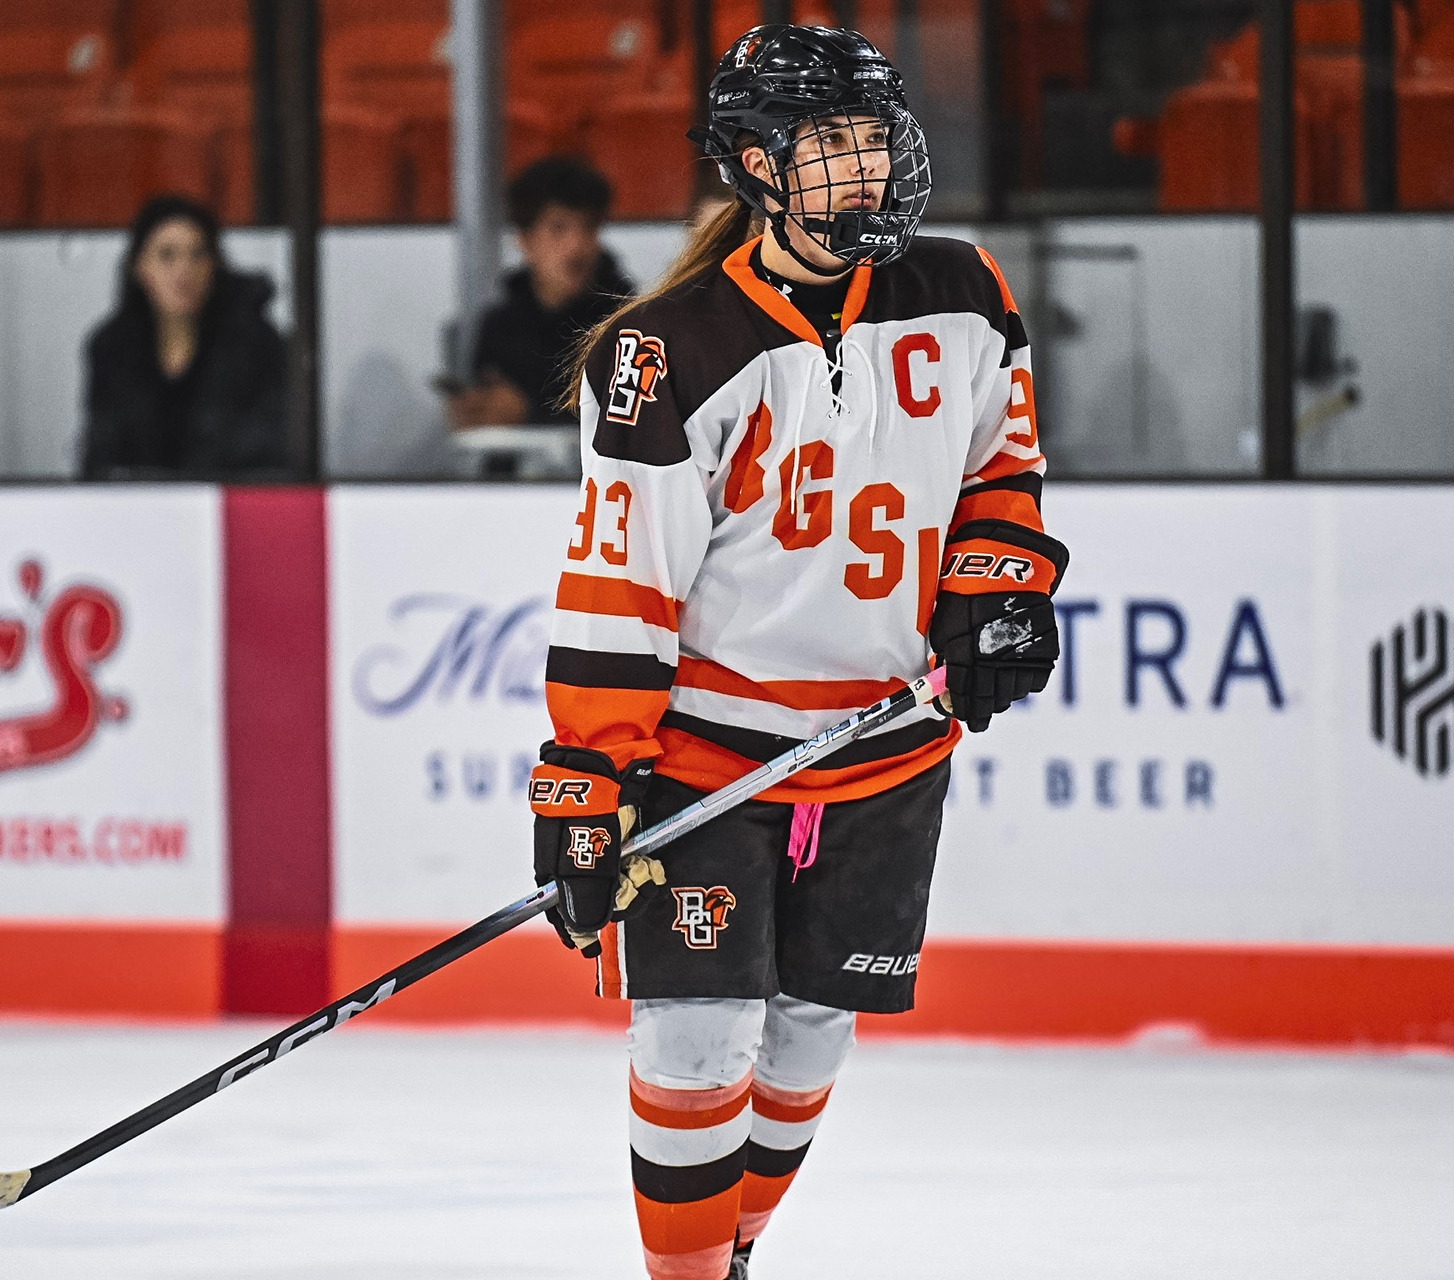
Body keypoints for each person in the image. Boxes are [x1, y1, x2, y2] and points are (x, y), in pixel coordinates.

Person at [527, 25, 1066, 1280]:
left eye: (873, 137)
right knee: (697, 1042)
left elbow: (1002, 476)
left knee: (813, 1035)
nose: (863, 168)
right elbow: (621, 588)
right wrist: (585, 783)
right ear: (756, 166)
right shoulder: (667, 352)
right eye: (827, 143)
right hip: (709, 764)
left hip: (884, 749)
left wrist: (999, 591)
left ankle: (732, 1256)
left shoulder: (969, 292)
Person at [81, 195, 289, 480]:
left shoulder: (256, 344)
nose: (184, 271)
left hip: (226, 511)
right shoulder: (111, 349)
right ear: (139, 267)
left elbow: (269, 454)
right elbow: (101, 454)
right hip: (136, 512)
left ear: (214, 265)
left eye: (198, 254)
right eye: (167, 255)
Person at [446, 156, 633, 429]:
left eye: (589, 227)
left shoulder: (625, 321)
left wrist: (529, 412)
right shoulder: (499, 326)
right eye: (558, 229)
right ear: (525, 240)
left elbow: (630, 417)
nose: (576, 245)